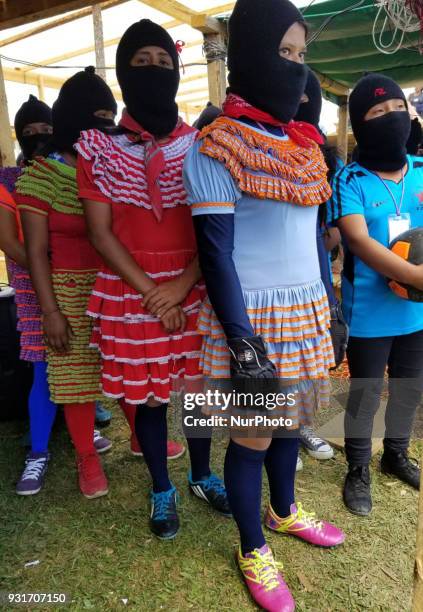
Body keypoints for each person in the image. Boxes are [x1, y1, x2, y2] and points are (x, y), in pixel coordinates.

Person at [183, 1, 345, 610]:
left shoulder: (304, 145)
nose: (297, 70)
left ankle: (283, 511)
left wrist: (329, 299)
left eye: (303, 56)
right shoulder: (217, 144)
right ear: (250, 53)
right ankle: (251, 545)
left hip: (304, 308)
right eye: (285, 53)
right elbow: (216, 254)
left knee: (291, 421)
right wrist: (244, 341)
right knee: (252, 436)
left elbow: (309, 233)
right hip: (250, 318)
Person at [76, 21, 230, 539]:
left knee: (199, 392)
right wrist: (153, 292)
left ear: (177, 71)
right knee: (149, 397)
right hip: (131, 290)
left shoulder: (204, 145)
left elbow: (215, 226)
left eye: (163, 62)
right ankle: (162, 486)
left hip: (195, 281)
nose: (153, 70)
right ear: (122, 73)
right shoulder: (96, 147)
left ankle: (203, 474)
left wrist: (183, 284)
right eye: (141, 62)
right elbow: (100, 233)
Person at [0, 95, 111, 494]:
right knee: (46, 370)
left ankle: (88, 419)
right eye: (28, 134)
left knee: (82, 360)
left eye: (45, 130)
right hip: (34, 290)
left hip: (73, 282)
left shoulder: (75, 169)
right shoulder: (10, 180)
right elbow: (13, 244)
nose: (37, 137)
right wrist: (50, 261)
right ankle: (39, 451)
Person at [329, 73, 423, 516]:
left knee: (408, 388)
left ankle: (396, 454)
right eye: (377, 112)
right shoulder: (351, 178)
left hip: (415, 311)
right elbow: (359, 242)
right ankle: (358, 468)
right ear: (361, 125)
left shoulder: (422, 171)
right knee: (365, 393)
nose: (390, 117)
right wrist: (415, 274)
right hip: (368, 309)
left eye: (397, 109)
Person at [295, 68, 339, 462]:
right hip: (274, 263)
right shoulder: (259, 142)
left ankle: (302, 426)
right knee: (278, 352)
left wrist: (330, 240)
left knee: (310, 347)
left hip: (315, 254)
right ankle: (280, 431)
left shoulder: (324, 150)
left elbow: (331, 215)